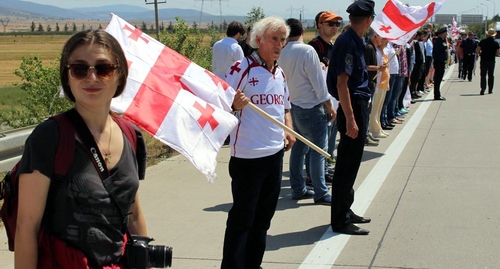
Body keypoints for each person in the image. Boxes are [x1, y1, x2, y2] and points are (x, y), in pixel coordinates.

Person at [14, 30, 148, 268]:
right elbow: (27, 226)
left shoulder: (131, 135)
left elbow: (133, 214)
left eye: (104, 68)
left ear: (120, 75)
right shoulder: (50, 137)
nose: (92, 77)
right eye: (79, 68)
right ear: (67, 77)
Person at [221, 16, 295, 269]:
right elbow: (220, 103)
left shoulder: (280, 72)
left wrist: (290, 130)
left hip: (275, 154)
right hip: (247, 157)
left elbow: (285, 107)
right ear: (259, 39)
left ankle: (254, 264)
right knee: (243, 219)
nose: (279, 44)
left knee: (263, 219)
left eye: (282, 40)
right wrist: (234, 104)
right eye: (274, 39)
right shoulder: (242, 68)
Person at [326, 0, 375, 236]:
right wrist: (351, 119)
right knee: (346, 165)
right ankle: (340, 220)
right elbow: (342, 83)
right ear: (369, 20)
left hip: (356, 105)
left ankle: (346, 209)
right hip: (352, 106)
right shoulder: (348, 42)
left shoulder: (355, 40)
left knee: (352, 163)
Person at [278, 18, 335, 205]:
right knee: (319, 150)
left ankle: (298, 188)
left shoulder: (282, 51)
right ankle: (321, 192)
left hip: (292, 105)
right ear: (303, 30)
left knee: (299, 149)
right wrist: (328, 105)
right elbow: (318, 83)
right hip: (311, 106)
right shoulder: (307, 51)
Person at [308, 11, 343, 169]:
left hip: (333, 98)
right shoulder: (314, 47)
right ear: (320, 25)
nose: (335, 27)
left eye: (337, 24)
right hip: (320, 100)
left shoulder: (331, 46)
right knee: (318, 140)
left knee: (331, 135)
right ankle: (316, 172)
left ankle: (326, 165)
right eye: (331, 24)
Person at [476, 28, 500, 95]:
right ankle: (490, 89)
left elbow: (477, 50)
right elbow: (497, 53)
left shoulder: (482, 41)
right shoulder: (496, 43)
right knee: (491, 75)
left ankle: (483, 89)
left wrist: (481, 52)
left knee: (483, 75)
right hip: (491, 60)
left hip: (483, 60)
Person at [433, 27, 448, 101]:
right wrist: (447, 43)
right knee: (438, 78)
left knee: (439, 78)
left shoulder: (442, 40)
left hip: (441, 61)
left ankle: (438, 94)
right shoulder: (439, 41)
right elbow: (445, 47)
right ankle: (437, 95)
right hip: (439, 61)